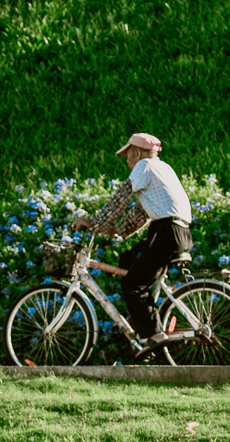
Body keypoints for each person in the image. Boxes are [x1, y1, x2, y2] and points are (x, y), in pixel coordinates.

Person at [71, 132, 193, 346]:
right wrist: (115, 230)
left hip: (165, 231)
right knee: (127, 260)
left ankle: (153, 335)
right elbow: (142, 211)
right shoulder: (163, 168)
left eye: (127, 155)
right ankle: (141, 318)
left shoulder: (144, 166)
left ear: (137, 152)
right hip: (177, 232)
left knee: (133, 283)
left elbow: (121, 198)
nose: (126, 161)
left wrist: (95, 222)